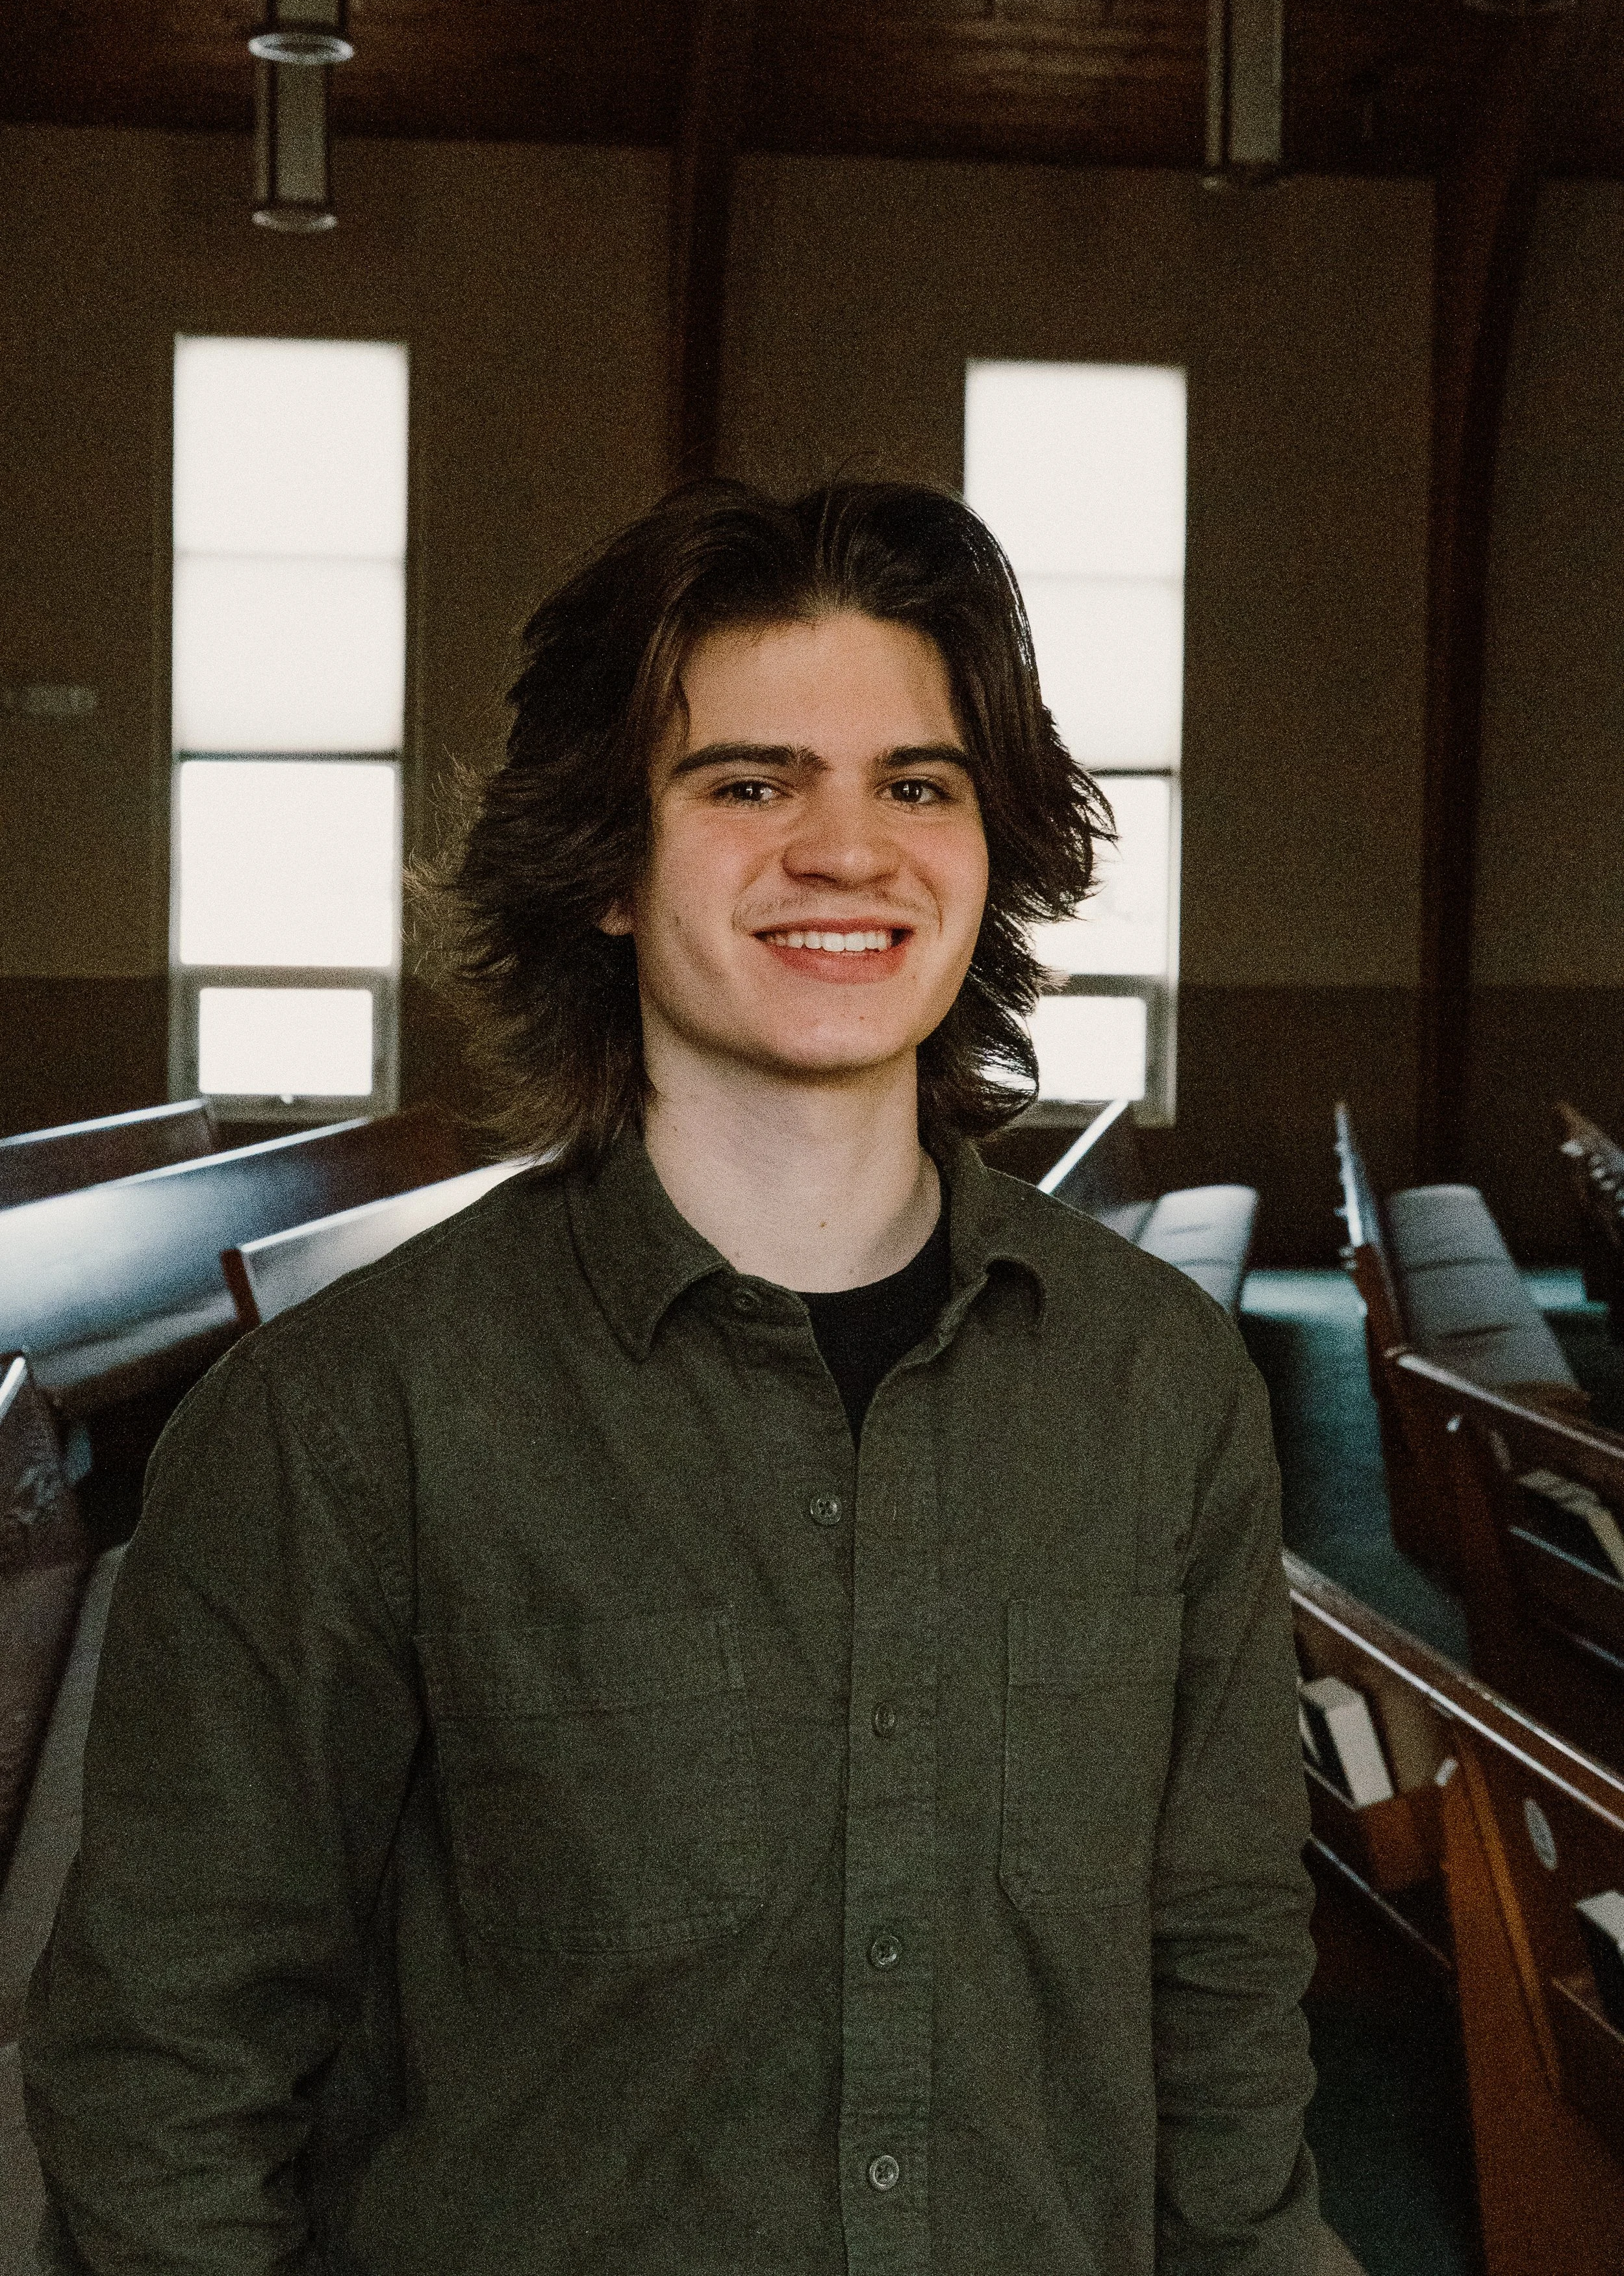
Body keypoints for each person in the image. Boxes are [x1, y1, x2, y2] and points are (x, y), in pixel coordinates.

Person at [23, 479, 1319, 2273]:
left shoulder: (1154, 1387)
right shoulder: (350, 1416)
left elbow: (1224, 2004)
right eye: (748, 783)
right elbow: (165, 2066)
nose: (846, 850)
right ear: (610, 866)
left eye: (916, 783)